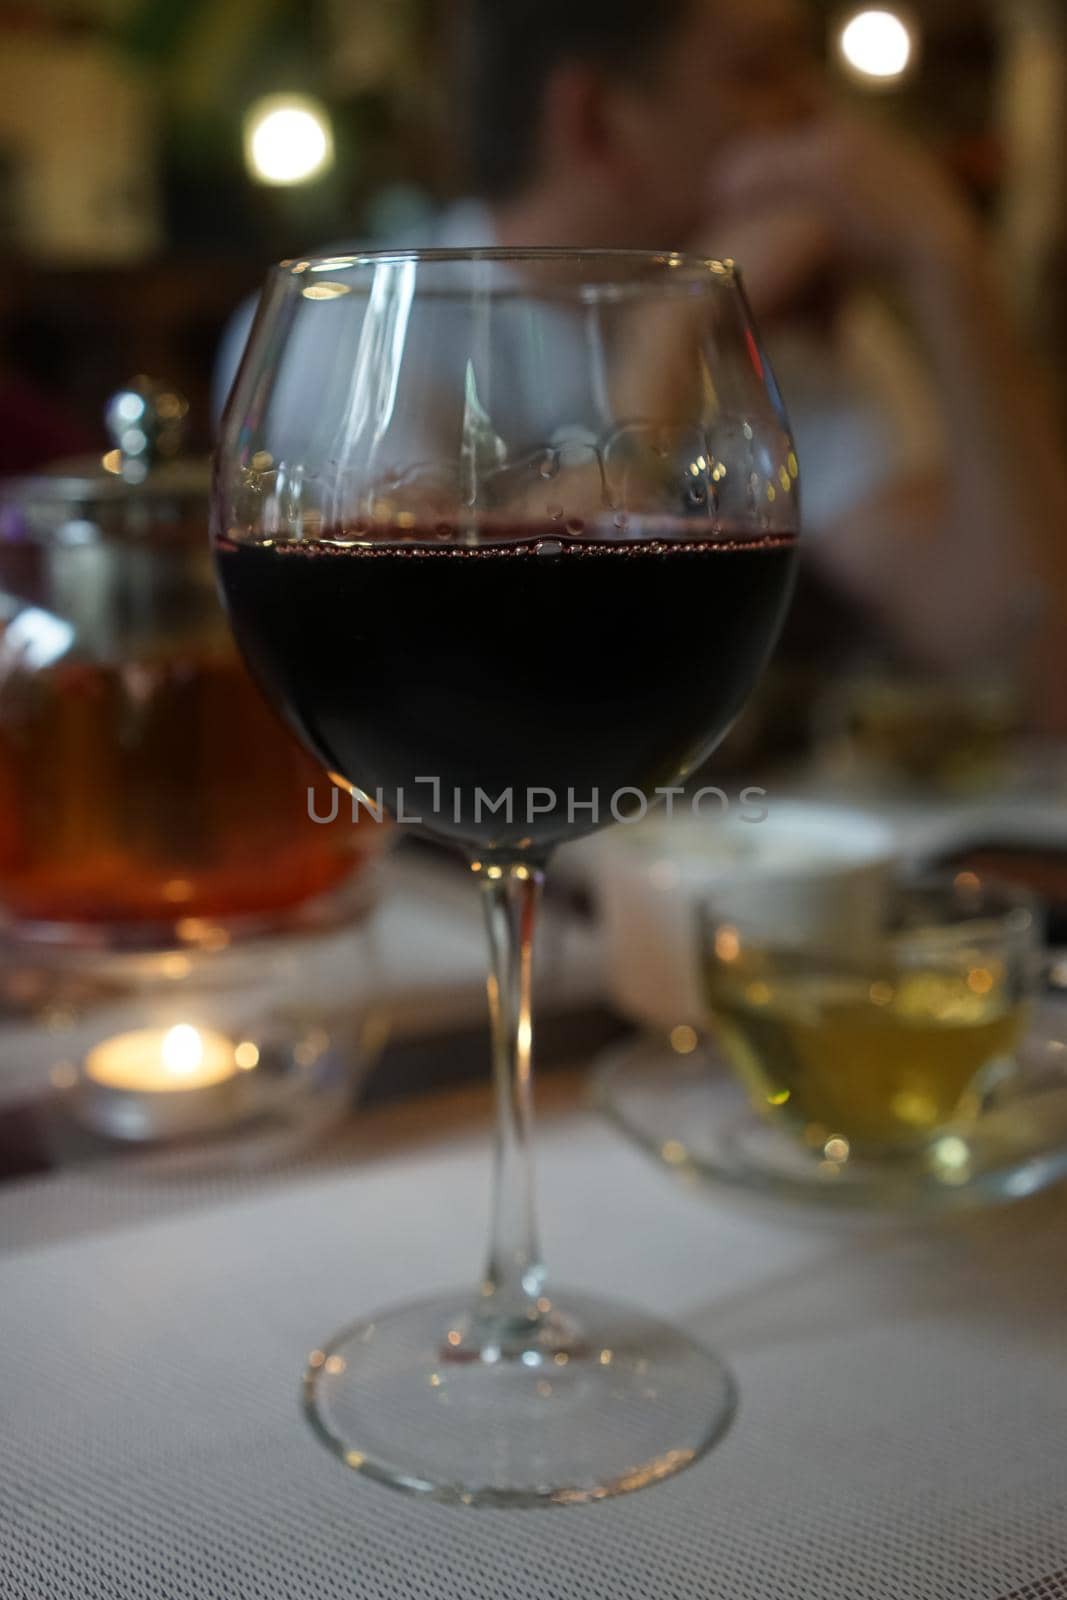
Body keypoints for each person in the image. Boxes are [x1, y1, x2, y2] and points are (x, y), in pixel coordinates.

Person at [217, 0, 1067, 727]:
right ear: (596, 122)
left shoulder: (781, 317)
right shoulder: (355, 326)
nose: (814, 118)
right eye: (758, 71)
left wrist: (947, 267)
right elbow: (445, 688)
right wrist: (665, 348)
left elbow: (1019, 650)